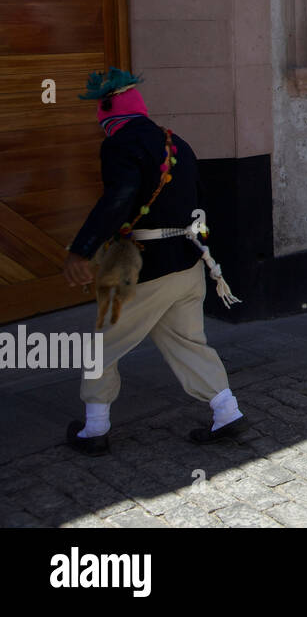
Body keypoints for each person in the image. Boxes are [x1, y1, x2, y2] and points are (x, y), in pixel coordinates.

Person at [61, 69, 244, 455]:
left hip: (145, 270)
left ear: (108, 115)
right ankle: (227, 410)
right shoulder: (176, 142)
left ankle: (94, 429)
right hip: (188, 263)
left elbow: (119, 197)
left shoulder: (120, 146)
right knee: (187, 340)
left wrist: (82, 249)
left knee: (102, 346)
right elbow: (200, 196)